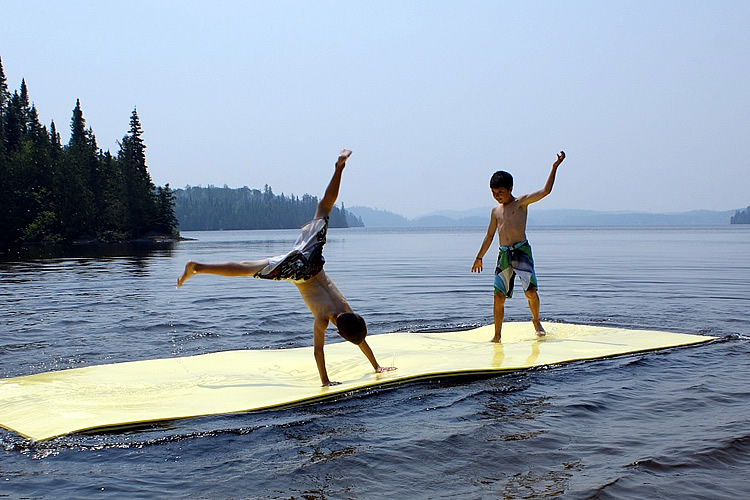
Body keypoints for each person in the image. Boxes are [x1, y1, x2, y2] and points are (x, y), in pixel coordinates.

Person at [177, 149, 396, 386]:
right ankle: (199, 267)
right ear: (339, 333)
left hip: (310, 259)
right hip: (298, 273)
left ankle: (339, 168)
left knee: (323, 209)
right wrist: (326, 381)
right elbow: (320, 352)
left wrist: (376, 366)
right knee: (247, 268)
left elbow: (359, 336)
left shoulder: (346, 309)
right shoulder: (323, 320)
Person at [471, 151, 566, 342]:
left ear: (510, 188)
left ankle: (536, 321)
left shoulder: (521, 203)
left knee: (530, 292)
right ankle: (497, 335)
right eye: (494, 193)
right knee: (498, 297)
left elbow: (545, 191)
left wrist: (554, 168)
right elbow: (490, 235)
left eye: (501, 192)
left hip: (521, 251)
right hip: (504, 254)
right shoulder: (495, 211)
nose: (497, 197)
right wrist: (479, 256)